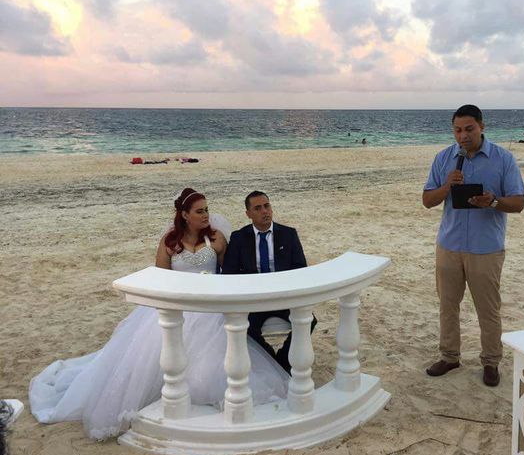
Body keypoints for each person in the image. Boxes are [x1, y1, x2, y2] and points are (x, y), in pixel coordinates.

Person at [29, 188, 289, 440]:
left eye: (207, 210)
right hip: (177, 304)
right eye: (199, 211)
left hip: (209, 307)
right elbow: (159, 279)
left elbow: (230, 273)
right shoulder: (169, 242)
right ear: (185, 215)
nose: (206, 215)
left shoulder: (217, 238)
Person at [422, 105, 524, 387]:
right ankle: (450, 356)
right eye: (457, 130)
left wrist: (492, 201)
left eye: (469, 129)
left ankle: (491, 361)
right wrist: (447, 187)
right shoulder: (444, 158)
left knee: (488, 309)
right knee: (447, 306)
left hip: (486, 248)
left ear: (481, 126)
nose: (463, 136)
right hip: (449, 245)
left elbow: (518, 203)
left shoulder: (503, 159)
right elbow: (428, 200)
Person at [222, 191, 317, 373]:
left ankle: (281, 361)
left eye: (267, 206)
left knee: (309, 320)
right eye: (258, 208)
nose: (264, 211)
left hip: (284, 297)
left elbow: (300, 268)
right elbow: (229, 272)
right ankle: (271, 361)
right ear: (248, 214)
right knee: (245, 328)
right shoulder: (239, 238)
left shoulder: (288, 235)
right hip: (255, 300)